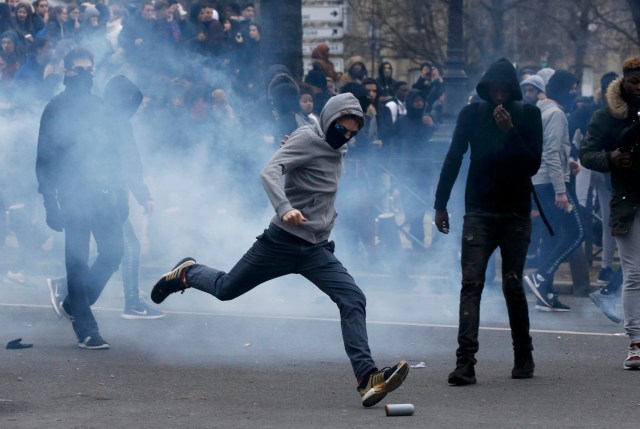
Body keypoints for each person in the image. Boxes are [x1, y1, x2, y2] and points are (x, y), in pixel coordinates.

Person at [149, 93, 409, 407]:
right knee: (226, 288)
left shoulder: (339, 145)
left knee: (353, 298)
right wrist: (284, 208)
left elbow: (323, 158)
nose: (347, 136)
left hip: (316, 249)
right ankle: (187, 274)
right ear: (330, 120)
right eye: (343, 129)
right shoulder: (306, 138)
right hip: (281, 241)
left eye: (354, 132)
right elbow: (269, 171)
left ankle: (367, 378)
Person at [434, 58, 543, 385]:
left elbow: (531, 165)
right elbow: (454, 156)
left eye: (504, 90)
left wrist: (509, 131)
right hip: (479, 211)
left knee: (512, 284)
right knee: (471, 284)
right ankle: (465, 362)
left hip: (515, 213)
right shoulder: (471, 114)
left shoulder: (528, 115)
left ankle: (523, 353)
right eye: (493, 90)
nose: (498, 96)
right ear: (485, 90)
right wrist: (440, 204)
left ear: (512, 91)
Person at [45, 74, 164, 321]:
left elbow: (129, 162)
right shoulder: (106, 121)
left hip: (108, 196)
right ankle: (128, 302)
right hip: (102, 197)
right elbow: (122, 163)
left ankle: (66, 289)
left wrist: (142, 193)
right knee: (124, 247)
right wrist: (140, 194)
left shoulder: (113, 120)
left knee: (115, 249)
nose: (130, 110)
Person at [36, 48, 126, 349]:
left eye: (90, 70)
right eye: (79, 70)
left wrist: (121, 194)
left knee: (114, 253)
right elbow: (44, 160)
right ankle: (86, 328)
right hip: (72, 194)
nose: (85, 75)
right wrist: (50, 202)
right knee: (77, 260)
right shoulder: (55, 108)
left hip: (102, 194)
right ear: (66, 71)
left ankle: (74, 303)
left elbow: (115, 155)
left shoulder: (100, 107)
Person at [580, 56, 640, 370]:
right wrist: (612, 158)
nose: (639, 88)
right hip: (627, 202)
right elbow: (586, 153)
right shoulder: (607, 116)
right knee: (634, 273)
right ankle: (635, 344)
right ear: (624, 81)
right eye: (634, 82)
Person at [520, 74, 584, 312]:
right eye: (573, 88)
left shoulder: (541, 111)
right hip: (551, 184)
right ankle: (541, 276)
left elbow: (546, 150)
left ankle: (544, 295)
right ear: (565, 89)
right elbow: (550, 154)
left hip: (541, 181)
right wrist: (561, 190)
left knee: (553, 236)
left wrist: (567, 163)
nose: (575, 93)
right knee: (577, 233)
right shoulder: (556, 114)